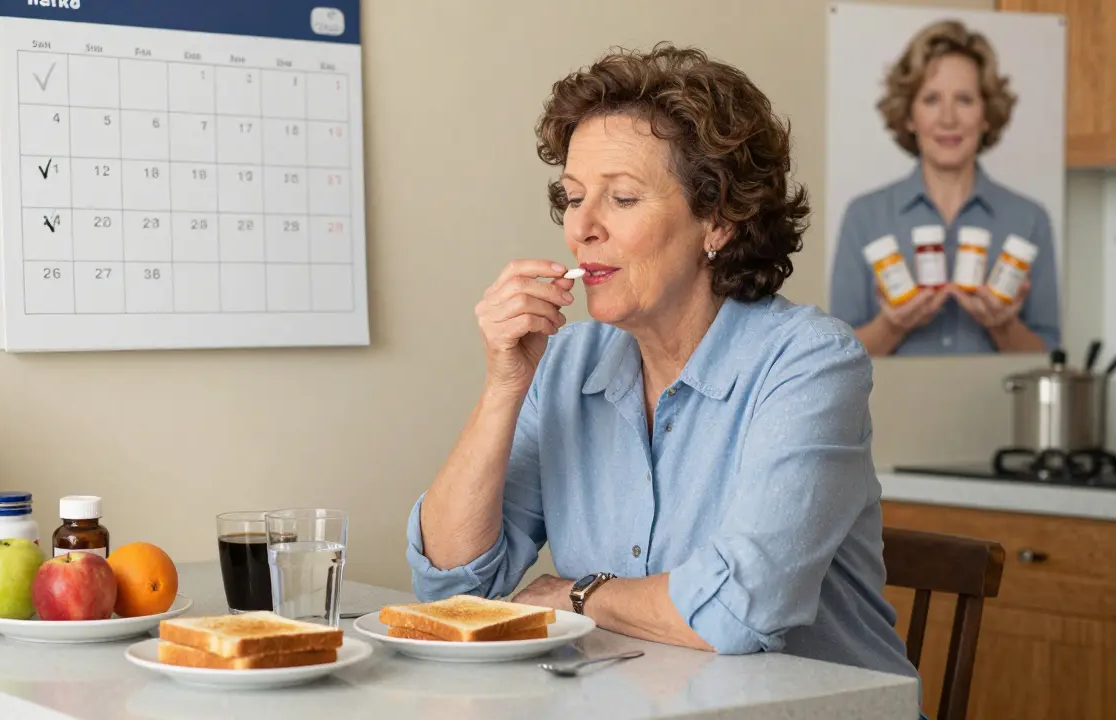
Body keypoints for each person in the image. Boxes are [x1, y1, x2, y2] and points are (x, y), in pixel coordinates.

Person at [403, 42, 919, 685]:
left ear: (719, 221)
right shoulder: (567, 361)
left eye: (621, 199)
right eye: (572, 197)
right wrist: (505, 384)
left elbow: (740, 609)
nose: (580, 229)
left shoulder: (810, 363)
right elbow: (453, 583)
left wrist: (577, 594)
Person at [828, 19, 1061, 356]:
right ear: (909, 116)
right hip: (896, 407)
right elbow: (835, 358)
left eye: (964, 99)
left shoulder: (1029, 219)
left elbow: (1050, 355)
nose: (948, 118)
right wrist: (892, 325)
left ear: (985, 115)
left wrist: (1003, 325)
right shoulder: (864, 216)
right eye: (931, 99)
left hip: (995, 408)